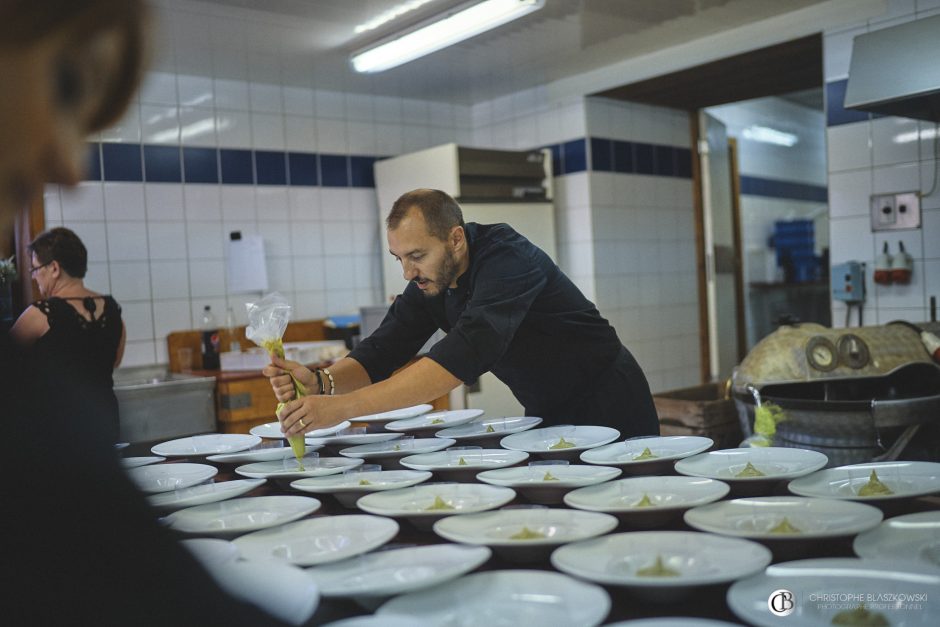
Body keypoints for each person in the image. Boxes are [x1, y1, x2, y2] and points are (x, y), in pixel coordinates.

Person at [0, 2, 292, 625]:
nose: (68, 164)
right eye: (63, 83)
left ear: (49, 269)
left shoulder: (39, 321)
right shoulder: (108, 312)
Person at [266, 188, 660, 439]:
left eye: (417, 256)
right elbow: (382, 349)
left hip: (608, 397)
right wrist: (322, 383)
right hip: (547, 408)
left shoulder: (509, 259)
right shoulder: (430, 281)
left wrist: (345, 409)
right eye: (399, 258)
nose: (407, 272)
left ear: (455, 238)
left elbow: (465, 351)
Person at [11, 227, 126, 441]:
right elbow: (115, 360)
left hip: (60, 429)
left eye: (35, 269)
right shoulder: (113, 310)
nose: (35, 277)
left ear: (54, 268)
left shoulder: (40, 314)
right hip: (105, 422)